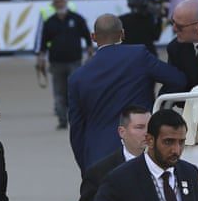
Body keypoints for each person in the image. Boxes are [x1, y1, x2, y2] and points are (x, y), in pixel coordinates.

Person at [67, 14, 187, 173]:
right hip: (140, 151)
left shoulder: (77, 77)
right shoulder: (138, 55)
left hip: (98, 156)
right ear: (122, 34)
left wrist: (86, 167)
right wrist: (159, 104)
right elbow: (178, 80)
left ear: (93, 37)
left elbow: (76, 129)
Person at [37, 0, 93, 130]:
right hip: (56, 63)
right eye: (57, 2)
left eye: (62, 1)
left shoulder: (77, 19)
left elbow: (88, 37)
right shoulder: (49, 22)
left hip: (75, 61)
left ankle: (76, 120)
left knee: (75, 92)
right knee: (59, 93)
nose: (59, 4)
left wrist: (90, 52)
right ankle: (62, 119)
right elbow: (43, 43)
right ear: (54, 4)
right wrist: (41, 58)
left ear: (66, 2)